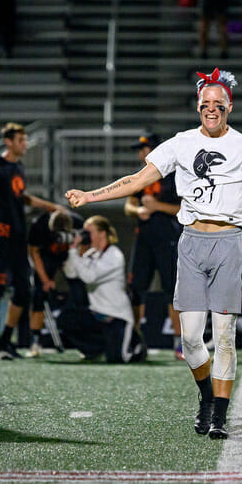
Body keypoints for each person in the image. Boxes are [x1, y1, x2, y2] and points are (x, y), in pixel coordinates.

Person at [66, 67, 242, 439]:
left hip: (230, 244)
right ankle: (206, 397)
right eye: (205, 104)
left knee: (224, 335)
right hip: (191, 243)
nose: (212, 109)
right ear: (199, 106)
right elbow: (138, 180)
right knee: (192, 338)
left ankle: (220, 417)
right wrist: (91, 196)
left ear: (230, 106)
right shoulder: (180, 143)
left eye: (218, 104)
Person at [0, 122, 66, 360]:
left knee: (23, 291)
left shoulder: (19, 168)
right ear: (9, 142)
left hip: (17, 239)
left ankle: (6, 340)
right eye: (21, 140)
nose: (25, 144)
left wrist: (50, 206)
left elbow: (22, 197)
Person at [124, 133, 184, 360]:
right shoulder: (141, 176)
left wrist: (157, 206)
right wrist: (138, 211)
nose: (141, 153)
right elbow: (129, 206)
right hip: (144, 241)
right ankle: (132, 338)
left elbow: (184, 209)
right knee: (136, 290)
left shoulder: (172, 176)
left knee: (173, 292)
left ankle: (180, 344)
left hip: (167, 239)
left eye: (145, 148)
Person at [65, 215, 147, 364]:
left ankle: (135, 342)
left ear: (102, 233)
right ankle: (94, 350)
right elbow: (70, 273)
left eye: (88, 232)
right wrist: (72, 250)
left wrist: (77, 255)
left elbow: (89, 277)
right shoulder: (90, 254)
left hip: (117, 316)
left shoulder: (114, 255)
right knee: (67, 320)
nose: (84, 235)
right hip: (97, 315)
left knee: (118, 359)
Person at [25, 208, 84, 357]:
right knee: (39, 293)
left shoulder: (78, 223)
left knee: (79, 293)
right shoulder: (39, 225)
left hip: (71, 253)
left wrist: (76, 259)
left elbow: (86, 245)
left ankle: (86, 342)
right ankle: (35, 341)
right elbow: (34, 252)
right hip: (46, 257)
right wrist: (45, 279)